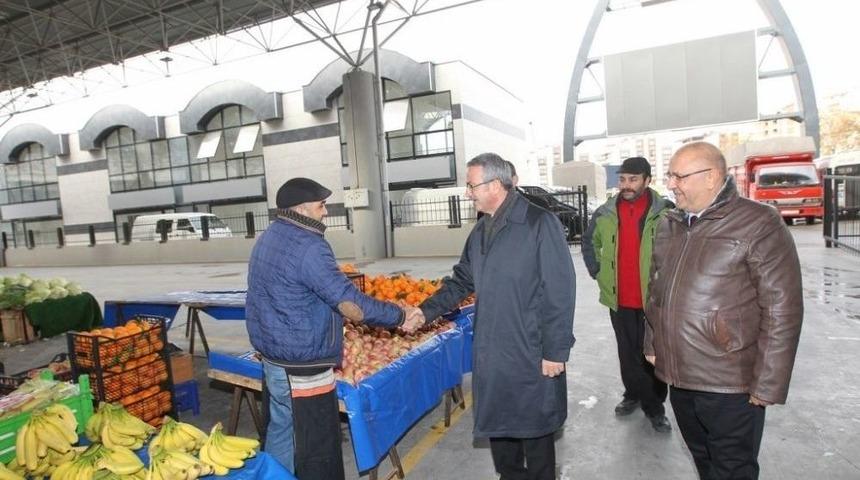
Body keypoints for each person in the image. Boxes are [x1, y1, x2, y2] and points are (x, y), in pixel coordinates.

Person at [408, 153, 576, 480]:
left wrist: (555, 351)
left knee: (535, 429)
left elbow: (560, 291)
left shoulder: (538, 224)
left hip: (530, 348)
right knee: (501, 427)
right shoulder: (481, 230)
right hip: (493, 349)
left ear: (495, 185)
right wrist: (424, 311)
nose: (467, 193)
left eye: (471, 186)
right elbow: (461, 281)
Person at [644, 142, 803, 479]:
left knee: (732, 468)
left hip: (731, 383)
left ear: (712, 177)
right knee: (703, 459)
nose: (671, 184)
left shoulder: (758, 222)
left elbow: (782, 308)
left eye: (679, 176)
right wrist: (652, 345)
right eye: (670, 176)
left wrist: (768, 382)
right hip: (679, 376)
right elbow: (656, 291)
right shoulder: (669, 224)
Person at [245, 177, 422, 479]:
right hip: (302, 362)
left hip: (274, 356)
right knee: (316, 443)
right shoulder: (308, 246)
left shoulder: (269, 235)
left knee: (282, 427)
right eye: (321, 205)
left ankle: (273, 474)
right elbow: (349, 302)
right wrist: (399, 316)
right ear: (301, 209)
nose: (325, 212)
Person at [581, 156, 672, 432]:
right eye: (622, 179)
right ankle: (633, 395)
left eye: (633, 179)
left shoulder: (666, 211)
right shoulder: (606, 212)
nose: (626, 185)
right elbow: (589, 242)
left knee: (653, 354)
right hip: (618, 298)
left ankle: (655, 406)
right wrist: (597, 271)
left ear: (647, 180)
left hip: (652, 299)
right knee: (627, 353)